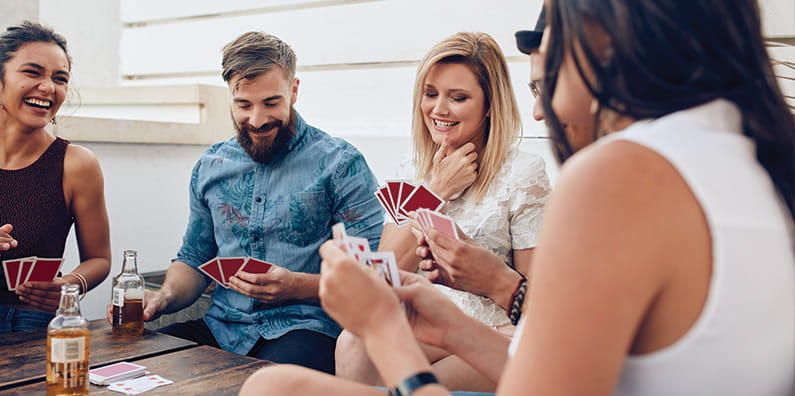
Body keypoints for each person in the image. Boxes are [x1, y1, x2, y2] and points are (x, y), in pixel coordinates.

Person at [239, 0, 795, 395]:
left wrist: (385, 328)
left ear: (602, 39)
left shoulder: (622, 173)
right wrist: (448, 323)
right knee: (276, 385)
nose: (539, 107)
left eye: (545, 59)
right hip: (489, 334)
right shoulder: (756, 155)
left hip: (488, 334)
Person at [120, 31, 384, 374]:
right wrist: (164, 298)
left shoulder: (341, 164)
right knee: (128, 369)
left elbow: (373, 273)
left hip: (307, 330)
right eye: (243, 105)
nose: (257, 120)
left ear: (294, 90)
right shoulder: (211, 165)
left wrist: (298, 286)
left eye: (271, 103)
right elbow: (195, 258)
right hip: (220, 328)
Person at [335, 31, 551, 392]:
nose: (438, 110)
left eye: (458, 97)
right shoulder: (412, 169)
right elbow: (385, 269)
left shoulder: (523, 173)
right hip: (427, 318)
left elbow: (536, 298)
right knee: (352, 342)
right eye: (431, 94)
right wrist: (435, 190)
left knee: (417, 385)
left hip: (494, 329)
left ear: (489, 105)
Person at [0, 21, 111, 333]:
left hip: (33, 323)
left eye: (60, 78)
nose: (49, 87)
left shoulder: (77, 164)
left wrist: (69, 285)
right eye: (33, 72)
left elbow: (99, 259)